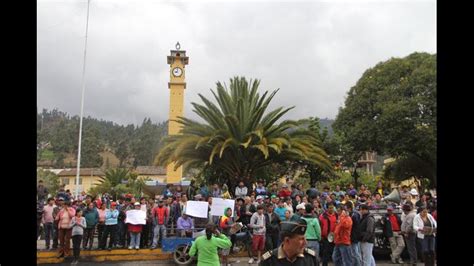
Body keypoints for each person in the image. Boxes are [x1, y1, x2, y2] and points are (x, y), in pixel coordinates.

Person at [345, 201, 362, 266]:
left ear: (349, 208)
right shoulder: (353, 214)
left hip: (354, 237)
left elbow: (356, 227)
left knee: (355, 253)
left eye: (346, 208)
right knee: (353, 253)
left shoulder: (354, 215)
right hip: (352, 236)